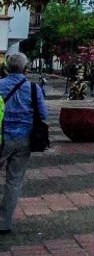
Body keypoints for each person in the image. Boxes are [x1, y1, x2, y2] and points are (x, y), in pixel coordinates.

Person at [1, 51, 50, 237]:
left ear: (7, 67)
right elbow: (44, 115)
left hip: (1, 137)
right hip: (24, 140)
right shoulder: (33, 88)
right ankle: (4, 223)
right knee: (14, 181)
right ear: (25, 68)